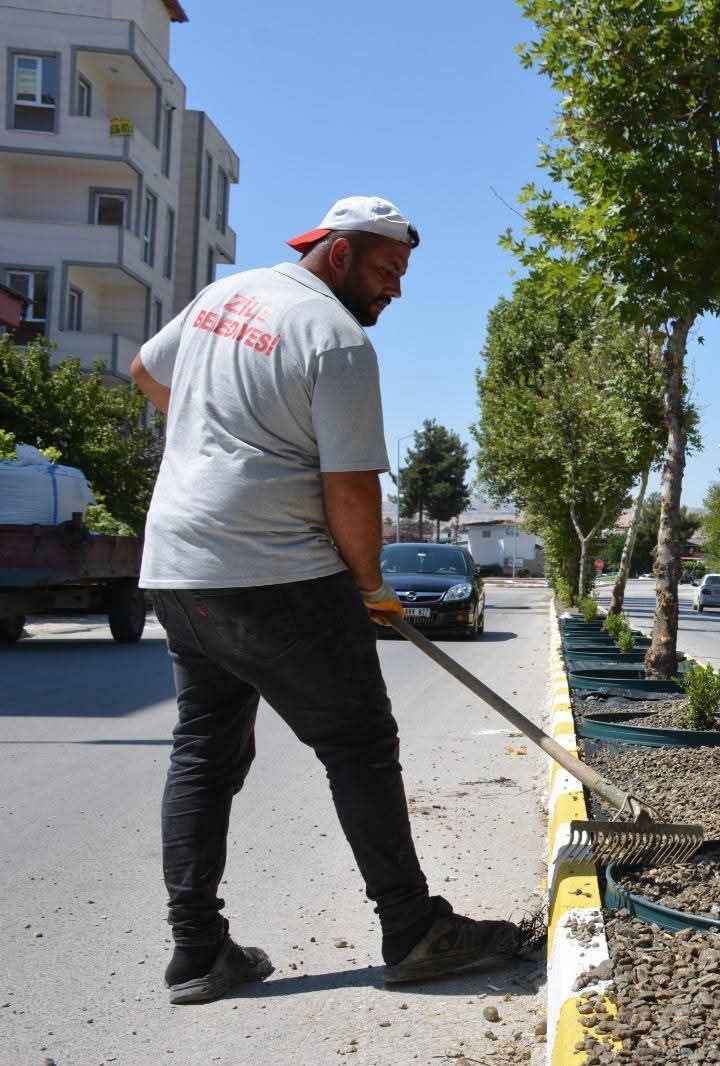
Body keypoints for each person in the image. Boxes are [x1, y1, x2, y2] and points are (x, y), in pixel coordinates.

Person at [130, 196, 528, 1005]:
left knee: (204, 753)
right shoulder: (335, 339)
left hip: (178, 570)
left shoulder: (224, 296)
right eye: (387, 272)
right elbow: (350, 492)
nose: (397, 291)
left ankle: (197, 952)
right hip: (277, 576)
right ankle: (414, 931)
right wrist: (372, 587)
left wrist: (222, 440)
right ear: (339, 254)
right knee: (358, 744)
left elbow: (146, 372)